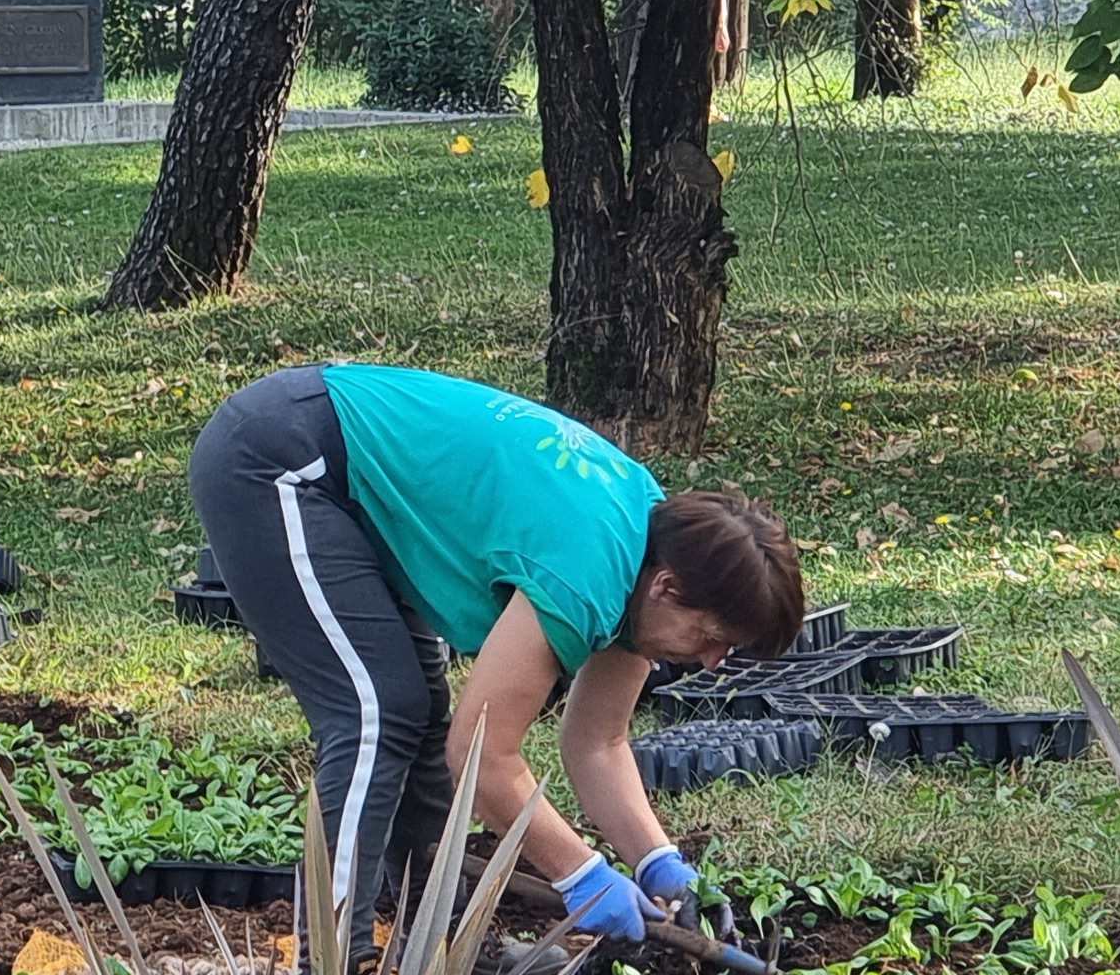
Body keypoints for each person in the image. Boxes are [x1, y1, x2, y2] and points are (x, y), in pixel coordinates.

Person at [186, 363, 804, 942]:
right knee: (377, 714)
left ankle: (431, 949)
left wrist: (659, 862)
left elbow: (598, 742)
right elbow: (481, 758)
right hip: (283, 457)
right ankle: (333, 970)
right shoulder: (585, 571)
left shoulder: (656, 555)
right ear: (669, 588)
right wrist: (580, 875)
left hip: (351, 485)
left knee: (417, 714)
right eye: (713, 637)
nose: (713, 661)